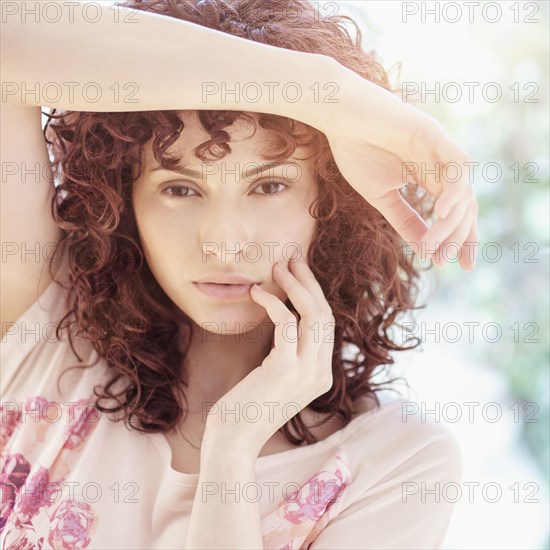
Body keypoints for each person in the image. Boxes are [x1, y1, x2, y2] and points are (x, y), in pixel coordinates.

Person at [1, 0, 477, 548]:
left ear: (334, 203)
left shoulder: (399, 464)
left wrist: (231, 446)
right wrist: (326, 93)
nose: (224, 242)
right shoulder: (48, 334)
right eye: (180, 189)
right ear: (123, 202)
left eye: (269, 186)